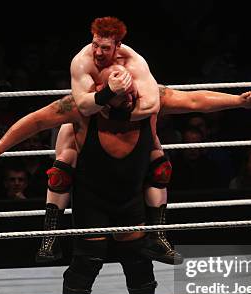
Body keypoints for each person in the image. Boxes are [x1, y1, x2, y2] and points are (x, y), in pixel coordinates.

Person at [0, 65, 251, 294]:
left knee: (139, 261)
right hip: (93, 199)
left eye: (130, 90)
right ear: (102, 93)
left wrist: (240, 101)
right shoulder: (81, 109)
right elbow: (36, 121)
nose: (129, 97)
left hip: (129, 197)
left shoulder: (148, 101)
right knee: (86, 264)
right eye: (120, 93)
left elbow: (194, 100)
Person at [68, 16, 175, 264]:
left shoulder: (135, 63)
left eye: (105, 47)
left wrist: (115, 111)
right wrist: (108, 93)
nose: (97, 52)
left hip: (128, 128)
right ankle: (48, 238)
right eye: (95, 44)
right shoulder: (82, 62)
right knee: (64, 156)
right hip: (86, 127)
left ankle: (159, 234)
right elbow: (83, 106)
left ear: (118, 46)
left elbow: (152, 104)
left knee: (160, 164)